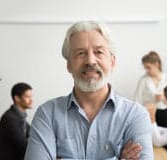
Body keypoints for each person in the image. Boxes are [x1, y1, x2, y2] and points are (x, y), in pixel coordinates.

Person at [25, 21, 153, 160]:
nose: (90, 61)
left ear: (112, 61)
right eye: (81, 53)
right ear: (69, 65)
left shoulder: (135, 116)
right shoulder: (47, 115)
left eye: (99, 52)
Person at [0, 82, 33, 160]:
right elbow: (24, 144)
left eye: (31, 96)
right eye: (28, 97)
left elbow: (34, 135)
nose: (31, 100)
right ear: (17, 98)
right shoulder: (9, 118)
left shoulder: (20, 116)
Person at [135, 51, 167, 128]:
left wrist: (164, 98)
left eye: (148, 67)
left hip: (164, 114)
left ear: (157, 65)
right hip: (148, 114)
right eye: (145, 68)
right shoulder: (143, 80)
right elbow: (137, 100)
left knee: (164, 138)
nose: (147, 70)